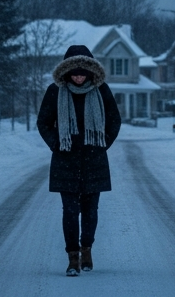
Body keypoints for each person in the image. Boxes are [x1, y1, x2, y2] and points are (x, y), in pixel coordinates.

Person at [36, 44, 122, 276]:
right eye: (74, 72)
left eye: (83, 72)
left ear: (91, 71)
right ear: (66, 71)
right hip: (66, 161)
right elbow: (43, 123)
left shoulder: (101, 90)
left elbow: (114, 121)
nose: (78, 76)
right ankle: (72, 258)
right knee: (70, 211)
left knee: (91, 211)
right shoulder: (55, 91)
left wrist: (102, 144)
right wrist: (57, 144)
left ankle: (87, 250)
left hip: (94, 161)